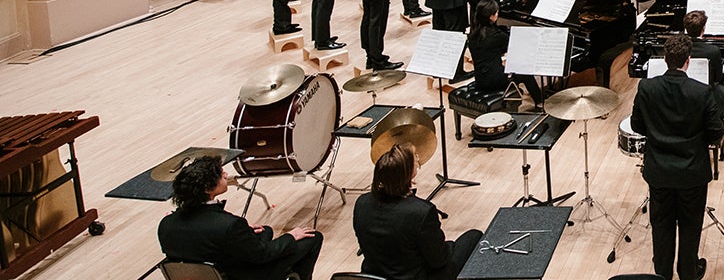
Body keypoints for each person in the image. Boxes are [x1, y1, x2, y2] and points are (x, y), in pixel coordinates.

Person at [631, 34, 722, 280]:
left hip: (659, 171)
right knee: (691, 227)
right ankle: (688, 272)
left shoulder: (647, 87)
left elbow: (636, 125)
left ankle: (662, 275)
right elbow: (715, 134)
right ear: (688, 61)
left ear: (665, 59)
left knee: (661, 227)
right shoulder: (701, 92)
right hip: (692, 173)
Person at [157, 155, 322, 280]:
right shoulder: (229, 226)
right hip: (241, 275)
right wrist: (290, 236)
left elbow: (200, 240)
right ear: (207, 188)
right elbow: (262, 255)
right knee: (312, 238)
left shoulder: (166, 223)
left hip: (209, 271)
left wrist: (243, 233)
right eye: (220, 173)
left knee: (266, 231)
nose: (226, 174)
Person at [354, 143, 482, 280]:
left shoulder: (362, 202)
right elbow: (439, 261)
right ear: (408, 174)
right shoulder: (421, 212)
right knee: (474, 236)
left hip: (374, 275)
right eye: (415, 159)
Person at [466, 0, 541, 104]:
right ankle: (540, 102)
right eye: (496, 13)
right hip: (495, 81)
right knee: (526, 74)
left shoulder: (473, 35)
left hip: (480, 80)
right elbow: (515, 48)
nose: (497, 14)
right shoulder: (497, 36)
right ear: (491, 17)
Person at [682, 9, 724, 125]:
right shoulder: (712, 51)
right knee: (722, 89)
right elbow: (718, 78)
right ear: (703, 28)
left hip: (683, 88)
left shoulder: (680, 47)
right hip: (705, 91)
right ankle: (720, 118)